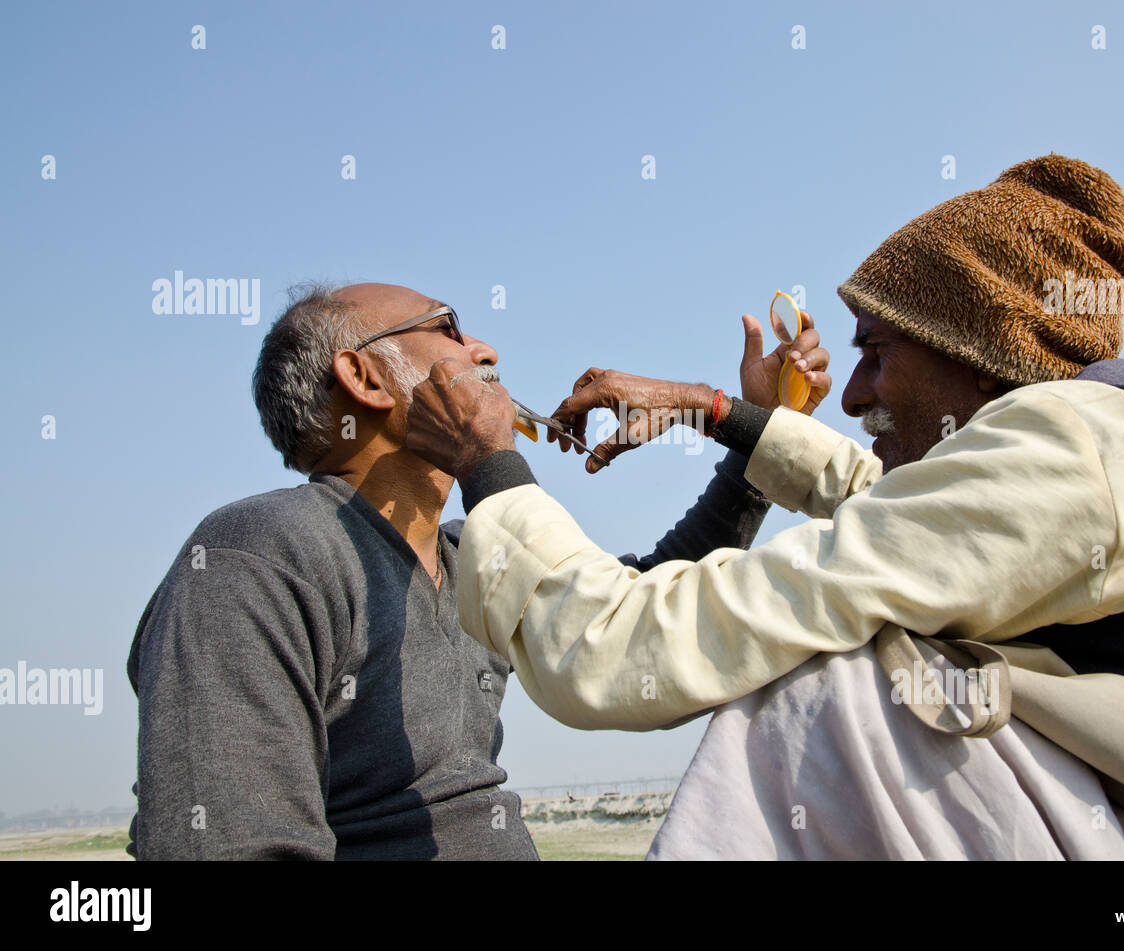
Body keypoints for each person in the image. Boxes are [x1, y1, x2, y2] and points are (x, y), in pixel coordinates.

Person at [404, 155, 1124, 860]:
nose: (854, 392)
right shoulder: (1077, 443)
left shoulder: (1072, 453)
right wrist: (710, 408)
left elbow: (629, 649)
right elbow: (896, 509)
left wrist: (489, 461)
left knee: (839, 686)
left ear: (978, 352)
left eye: (878, 353)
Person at [126, 280, 825, 859]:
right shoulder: (253, 556)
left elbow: (632, 612)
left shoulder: (469, 559)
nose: (486, 348)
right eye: (449, 328)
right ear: (363, 376)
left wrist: (757, 434)